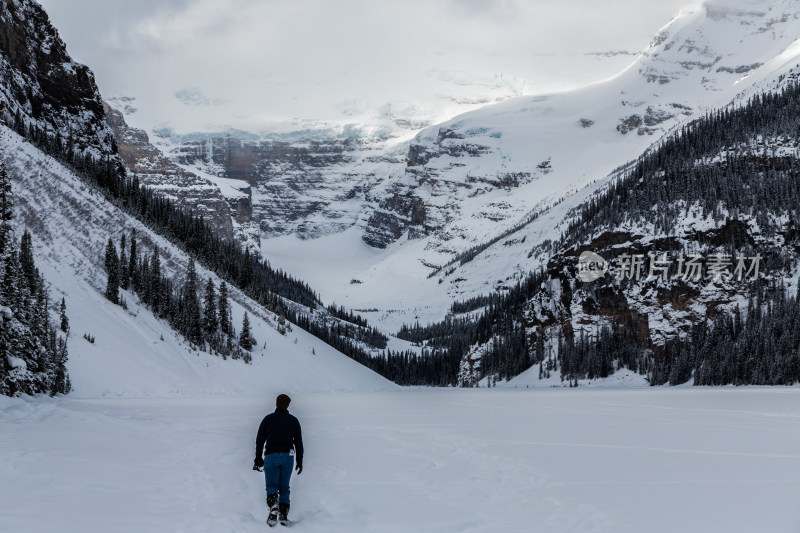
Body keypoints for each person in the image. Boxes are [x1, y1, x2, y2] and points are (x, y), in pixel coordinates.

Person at [254, 394, 304, 526]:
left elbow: (260, 439)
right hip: (288, 456)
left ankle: (273, 507)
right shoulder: (293, 420)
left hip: (271, 455)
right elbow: (298, 442)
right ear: (288, 405)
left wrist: (258, 457)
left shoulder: (268, 419)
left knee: (271, 486)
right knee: (284, 487)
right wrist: (299, 460)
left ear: (276, 404)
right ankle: (283, 515)